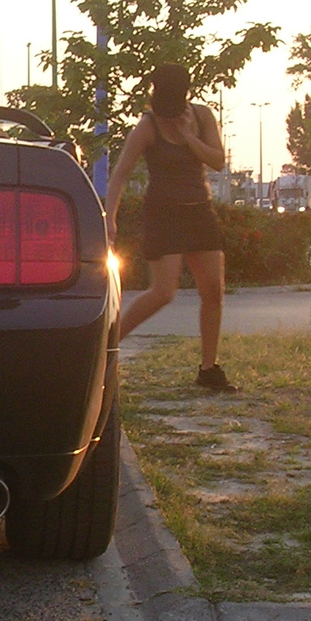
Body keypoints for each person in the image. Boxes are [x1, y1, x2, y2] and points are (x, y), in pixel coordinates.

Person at [103, 64, 236, 391]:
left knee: (214, 292)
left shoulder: (203, 117)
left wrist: (189, 137)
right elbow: (119, 174)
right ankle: (102, 347)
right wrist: (110, 219)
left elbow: (218, 160)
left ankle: (209, 369)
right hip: (164, 215)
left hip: (199, 212)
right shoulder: (148, 127)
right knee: (163, 293)